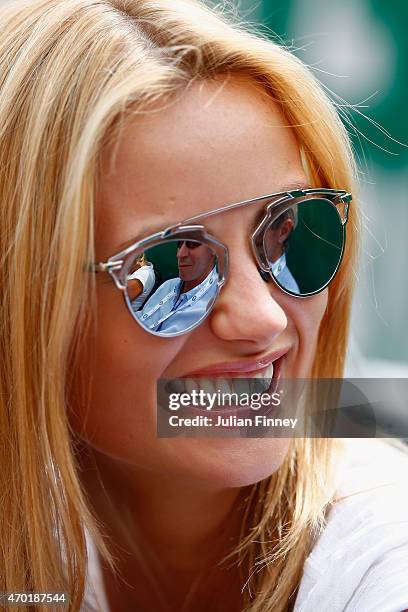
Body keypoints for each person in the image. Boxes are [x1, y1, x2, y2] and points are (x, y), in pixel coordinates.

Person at [1, 1, 407, 612]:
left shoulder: (384, 557)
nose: (263, 320)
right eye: (171, 264)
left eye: (294, 234)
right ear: (26, 297)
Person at [137, 241, 218, 333]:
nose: (180, 254)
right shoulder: (168, 286)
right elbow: (143, 317)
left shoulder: (216, 305)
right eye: (179, 244)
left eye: (192, 243)